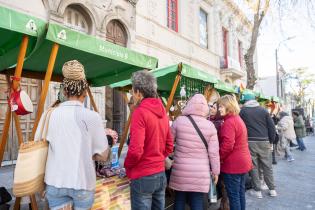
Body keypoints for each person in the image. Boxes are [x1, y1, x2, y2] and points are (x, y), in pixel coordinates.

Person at [35, 60, 109, 210]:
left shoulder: (49, 115)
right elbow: (102, 156)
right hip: (83, 182)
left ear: (64, 91)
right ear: (84, 92)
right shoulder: (93, 117)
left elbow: (39, 145)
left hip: (55, 182)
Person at [124, 70, 174, 210]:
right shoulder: (163, 111)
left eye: (132, 92)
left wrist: (128, 165)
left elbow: (135, 151)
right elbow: (169, 145)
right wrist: (158, 158)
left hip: (143, 176)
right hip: (159, 173)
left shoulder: (140, 112)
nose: (132, 95)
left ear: (139, 92)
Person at [169, 94, 220, 210]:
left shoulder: (179, 121)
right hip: (201, 172)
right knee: (197, 201)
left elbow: (168, 143)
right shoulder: (210, 126)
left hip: (180, 170)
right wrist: (216, 171)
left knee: (179, 199)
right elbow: (214, 153)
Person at [217, 95, 252, 210]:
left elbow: (227, 145)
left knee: (234, 196)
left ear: (229, 106)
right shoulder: (237, 119)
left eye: (221, 106)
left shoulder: (229, 122)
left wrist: (219, 157)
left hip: (233, 165)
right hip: (242, 163)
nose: (219, 109)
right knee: (240, 193)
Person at [239, 92, 277, 199]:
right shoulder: (263, 110)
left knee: (254, 167)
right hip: (264, 141)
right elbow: (272, 127)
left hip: (250, 142)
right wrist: (271, 141)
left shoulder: (243, 111)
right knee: (267, 166)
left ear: (246, 101)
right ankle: (272, 189)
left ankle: (258, 191)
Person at [208, 102, 229, 210]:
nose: (211, 108)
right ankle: (220, 204)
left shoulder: (218, 123)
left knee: (220, 183)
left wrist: (219, 157)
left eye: (214, 107)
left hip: (218, 157)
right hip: (217, 157)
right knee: (218, 183)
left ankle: (222, 205)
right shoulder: (211, 121)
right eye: (211, 106)